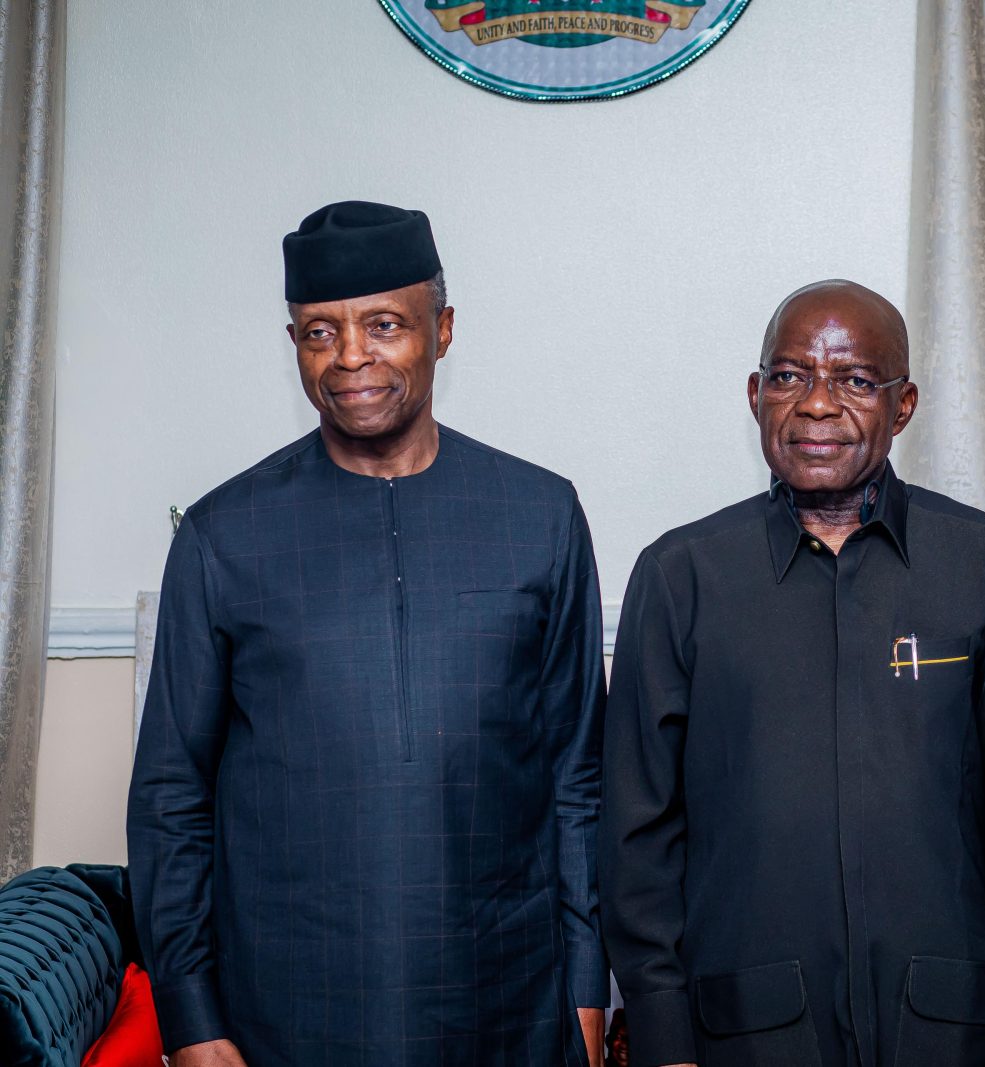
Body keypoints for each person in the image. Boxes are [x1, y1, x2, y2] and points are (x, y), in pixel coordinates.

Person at [127, 201, 608, 1067]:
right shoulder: (222, 536)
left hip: (508, 1006)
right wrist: (193, 1019)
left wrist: (584, 988)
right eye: (321, 332)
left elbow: (578, 779)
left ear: (442, 330)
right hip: (284, 1016)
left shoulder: (539, 516)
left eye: (384, 324)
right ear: (295, 345)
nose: (351, 356)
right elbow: (172, 798)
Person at [600, 280, 985, 1067]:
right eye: (789, 376)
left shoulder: (982, 560)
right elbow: (637, 836)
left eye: (855, 380)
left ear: (904, 405)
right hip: (744, 1029)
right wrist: (662, 1034)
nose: (817, 404)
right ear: (755, 396)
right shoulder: (683, 574)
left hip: (950, 1020)